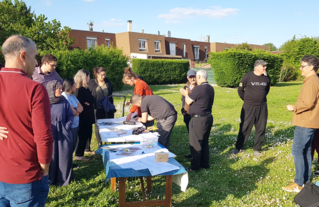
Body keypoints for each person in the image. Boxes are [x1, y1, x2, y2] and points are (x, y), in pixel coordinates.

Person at [0, 35, 53, 206]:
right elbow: (43, 136)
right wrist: (44, 170)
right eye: (35, 56)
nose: (37, 63)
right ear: (23, 56)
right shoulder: (34, 89)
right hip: (26, 176)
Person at [282, 55, 319, 192]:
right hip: (311, 121)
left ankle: (299, 183)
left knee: (297, 150)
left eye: (303, 66)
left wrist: (294, 107)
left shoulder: (311, 81)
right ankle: (304, 178)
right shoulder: (314, 80)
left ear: (311, 67)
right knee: (306, 150)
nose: (300, 68)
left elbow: (308, 103)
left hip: (306, 121)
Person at [231, 60, 271, 157]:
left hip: (262, 107)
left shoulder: (266, 78)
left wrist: (260, 98)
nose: (265, 68)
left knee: (261, 128)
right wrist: (247, 100)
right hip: (249, 107)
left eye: (265, 66)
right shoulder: (247, 76)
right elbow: (240, 90)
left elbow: (267, 90)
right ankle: (238, 147)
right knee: (244, 127)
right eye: (263, 66)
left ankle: (257, 149)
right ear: (257, 67)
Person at [180, 70, 214, 171]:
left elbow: (188, 101)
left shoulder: (199, 89)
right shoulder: (210, 88)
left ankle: (195, 166)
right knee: (204, 141)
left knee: (196, 143)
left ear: (199, 76)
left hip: (198, 119)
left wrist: (185, 94)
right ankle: (204, 163)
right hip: (208, 117)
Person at [46, 80, 74, 186]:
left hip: (63, 132)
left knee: (64, 155)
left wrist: (67, 126)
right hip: (50, 132)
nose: (61, 90)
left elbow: (71, 115)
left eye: (61, 88)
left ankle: (63, 179)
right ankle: (51, 178)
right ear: (51, 89)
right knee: (52, 155)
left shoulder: (64, 101)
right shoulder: (45, 102)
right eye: (59, 88)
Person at [88, 67, 115, 148]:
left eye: (104, 75)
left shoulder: (108, 81)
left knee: (110, 124)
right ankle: (100, 143)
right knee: (98, 125)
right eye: (101, 75)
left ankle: (111, 140)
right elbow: (90, 94)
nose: (103, 77)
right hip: (97, 108)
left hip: (107, 107)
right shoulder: (92, 82)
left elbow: (111, 92)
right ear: (96, 74)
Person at [73, 69, 95, 161]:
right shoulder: (79, 89)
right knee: (83, 134)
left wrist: (88, 101)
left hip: (88, 114)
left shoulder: (86, 87)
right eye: (88, 76)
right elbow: (77, 102)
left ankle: (85, 150)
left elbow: (91, 99)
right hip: (83, 116)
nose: (89, 78)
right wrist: (85, 102)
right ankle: (79, 154)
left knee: (88, 133)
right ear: (83, 77)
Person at [62, 78, 84, 153]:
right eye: (74, 84)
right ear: (70, 86)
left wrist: (77, 110)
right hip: (70, 126)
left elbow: (81, 107)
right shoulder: (65, 96)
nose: (76, 86)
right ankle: (68, 164)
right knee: (69, 146)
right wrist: (77, 110)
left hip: (75, 124)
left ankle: (70, 163)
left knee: (74, 144)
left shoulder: (72, 96)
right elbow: (73, 112)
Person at [180, 69, 197, 159]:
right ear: (188, 78)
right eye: (190, 77)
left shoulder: (198, 87)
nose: (192, 78)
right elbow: (183, 99)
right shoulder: (186, 86)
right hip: (187, 114)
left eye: (194, 76)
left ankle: (196, 154)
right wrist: (183, 110)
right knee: (191, 134)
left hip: (194, 114)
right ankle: (192, 152)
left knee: (195, 135)